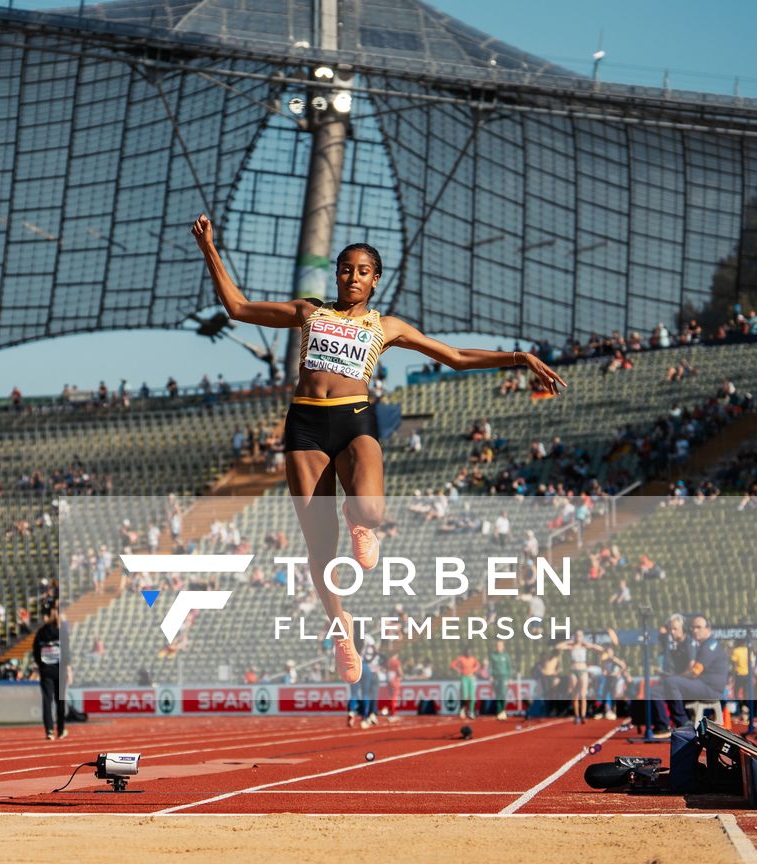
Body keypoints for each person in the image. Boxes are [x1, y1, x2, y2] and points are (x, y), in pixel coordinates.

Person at [192, 213, 565, 682]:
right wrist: (209, 248)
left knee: (372, 509)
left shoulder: (386, 326)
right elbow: (238, 307)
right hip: (305, 426)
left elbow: (454, 356)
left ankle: (359, 519)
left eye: (362, 271)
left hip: (352, 418)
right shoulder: (309, 311)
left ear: (375, 280)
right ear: (337, 275)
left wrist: (519, 357)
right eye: (345, 269)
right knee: (319, 546)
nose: (353, 277)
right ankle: (341, 629)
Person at [660, 615, 730, 725]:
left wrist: (677, 677)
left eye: (698, 627)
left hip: (710, 689)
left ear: (708, 629)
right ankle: (665, 724)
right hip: (706, 686)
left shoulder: (709, 646)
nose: (695, 630)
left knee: (671, 682)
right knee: (665, 687)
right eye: (693, 627)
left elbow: (694, 672)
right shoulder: (706, 644)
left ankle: (683, 722)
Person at [31, 605, 68, 740]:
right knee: (60, 701)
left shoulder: (41, 633)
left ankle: (49, 731)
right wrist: (68, 668)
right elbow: (66, 651)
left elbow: (35, 651)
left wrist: (41, 664)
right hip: (60, 669)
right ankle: (61, 730)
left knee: (47, 701)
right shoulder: (61, 631)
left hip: (46, 670)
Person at [449, 648, 482, 720]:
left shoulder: (473, 659)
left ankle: (471, 712)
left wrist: (473, 670)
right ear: (465, 652)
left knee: (472, 696)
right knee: (464, 695)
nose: (469, 653)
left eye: (470, 652)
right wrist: (458, 670)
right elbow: (452, 665)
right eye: (467, 652)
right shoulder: (461, 658)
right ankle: (463, 709)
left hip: (471, 678)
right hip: (464, 678)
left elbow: (478, 665)